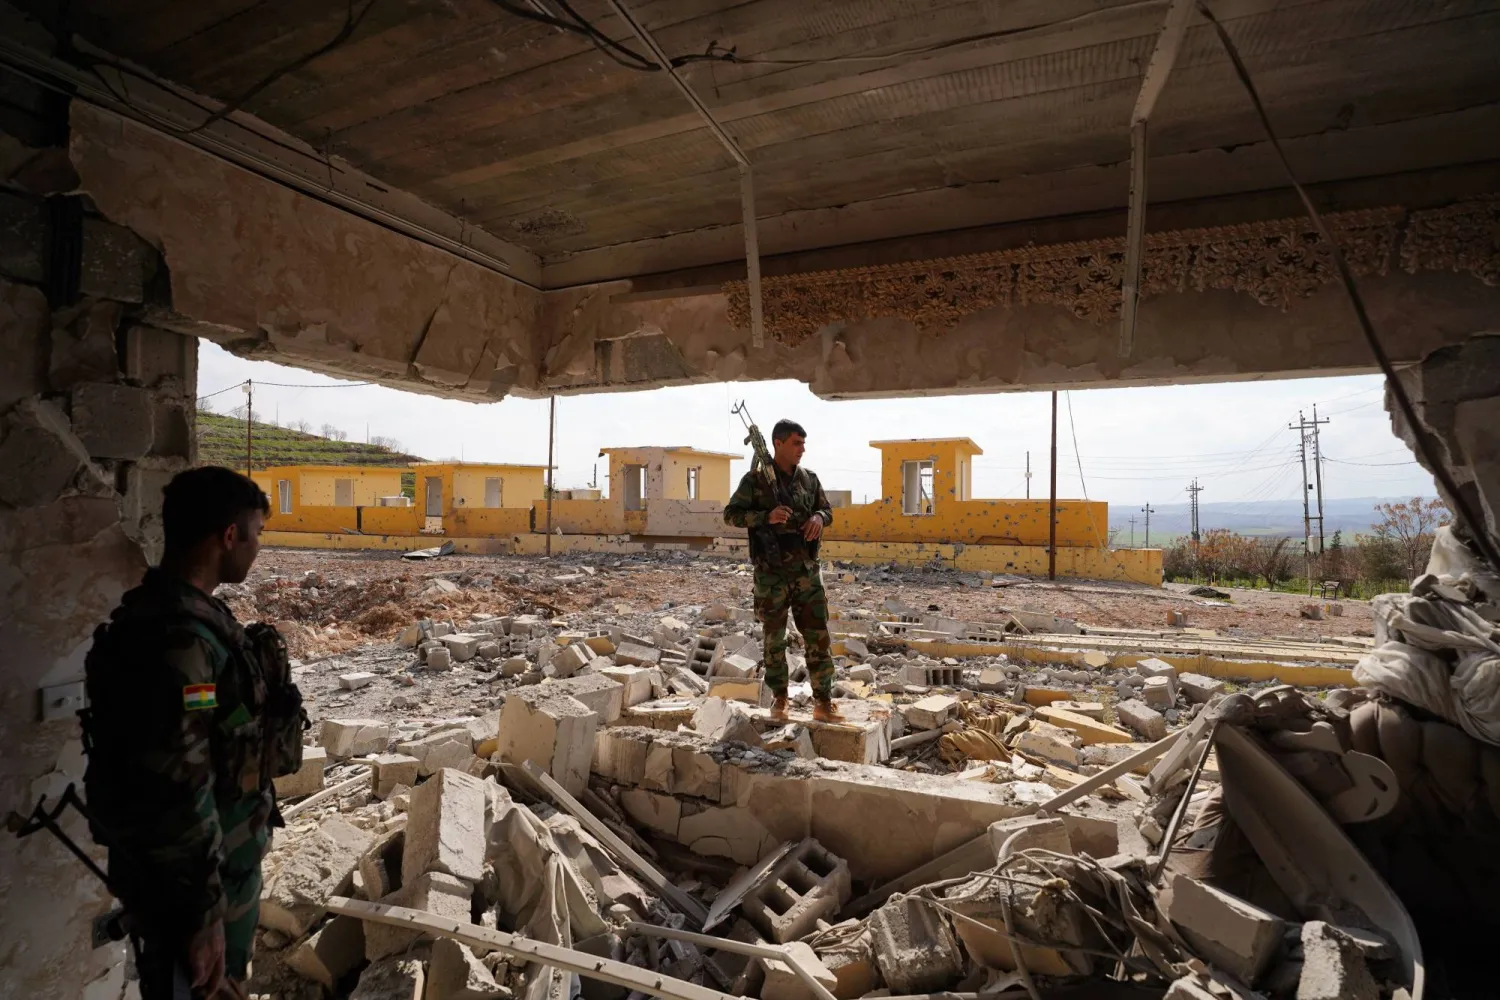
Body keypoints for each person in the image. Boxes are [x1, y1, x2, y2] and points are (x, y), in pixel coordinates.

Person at [83, 467, 275, 999]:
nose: (258, 548)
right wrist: (205, 917)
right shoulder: (180, 643)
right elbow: (178, 791)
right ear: (229, 536)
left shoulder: (174, 618)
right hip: (194, 890)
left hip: (202, 875)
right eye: (256, 534)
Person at [724, 419, 842, 723]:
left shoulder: (809, 480)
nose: (802, 449)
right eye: (796, 443)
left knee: (818, 637)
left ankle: (824, 702)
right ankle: (779, 699)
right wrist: (767, 516)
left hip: (806, 572)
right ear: (777, 444)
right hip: (771, 574)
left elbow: (827, 510)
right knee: (774, 639)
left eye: (803, 443)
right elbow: (731, 515)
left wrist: (818, 517)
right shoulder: (755, 481)